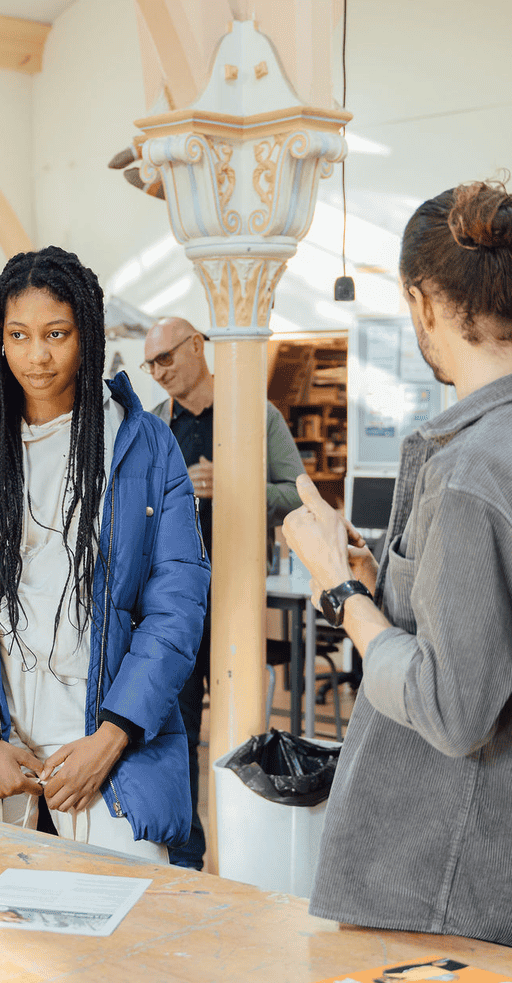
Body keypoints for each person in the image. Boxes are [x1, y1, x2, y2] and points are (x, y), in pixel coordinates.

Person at [281, 179, 512, 970]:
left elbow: (450, 710)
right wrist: (385, 585)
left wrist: (341, 591)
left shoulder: (479, 471)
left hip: (472, 897)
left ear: (423, 305)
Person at [0, 246, 209, 861]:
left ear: (87, 336)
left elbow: (177, 603)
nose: (37, 356)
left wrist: (111, 737)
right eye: (19, 335)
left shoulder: (143, 445)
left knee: (129, 924)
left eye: (56, 334)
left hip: (104, 745)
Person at [142, 316, 306, 871]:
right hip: (170, 603)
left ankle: (248, 859)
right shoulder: (151, 427)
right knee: (175, 733)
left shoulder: (255, 417)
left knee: (241, 735)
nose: (159, 371)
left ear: (197, 346)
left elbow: (297, 496)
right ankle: (187, 859)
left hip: (234, 599)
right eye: (151, 364)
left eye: (166, 357)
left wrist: (237, 483)